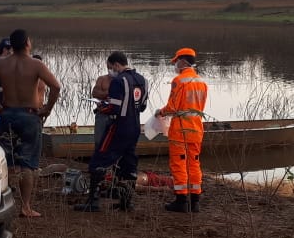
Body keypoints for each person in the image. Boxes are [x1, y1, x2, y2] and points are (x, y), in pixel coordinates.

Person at [0, 29, 61, 218]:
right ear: (27, 43)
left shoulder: (0, 64)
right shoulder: (36, 65)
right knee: (27, 164)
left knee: (7, 162)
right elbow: (56, 86)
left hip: (8, 114)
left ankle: (1, 203)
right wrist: (47, 108)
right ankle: (25, 206)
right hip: (29, 116)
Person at [75, 52, 148, 212]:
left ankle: (93, 202)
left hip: (118, 127)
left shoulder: (118, 81)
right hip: (135, 127)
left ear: (116, 65)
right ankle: (126, 202)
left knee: (98, 161)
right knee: (128, 164)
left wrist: (102, 107)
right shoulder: (142, 80)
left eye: (110, 67)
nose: (111, 70)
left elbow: (113, 107)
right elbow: (142, 106)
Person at [156, 47, 208, 212]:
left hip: (180, 129)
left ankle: (181, 200)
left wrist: (160, 112)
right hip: (197, 127)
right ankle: (195, 202)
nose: (175, 64)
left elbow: (172, 107)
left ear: (183, 61)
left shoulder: (178, 81)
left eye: (176, 61)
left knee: (179, 163)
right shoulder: (202, 82)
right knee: (194, 163)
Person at [90, 67, 115, 150]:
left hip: (116, 115)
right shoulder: (102, 79)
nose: (110, 69)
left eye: (111, 66)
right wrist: (109, 93)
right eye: (108, 66)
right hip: (102, 115)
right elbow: (94, 93)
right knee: (98, 142)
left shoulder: (123, 80)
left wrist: (104, 94)